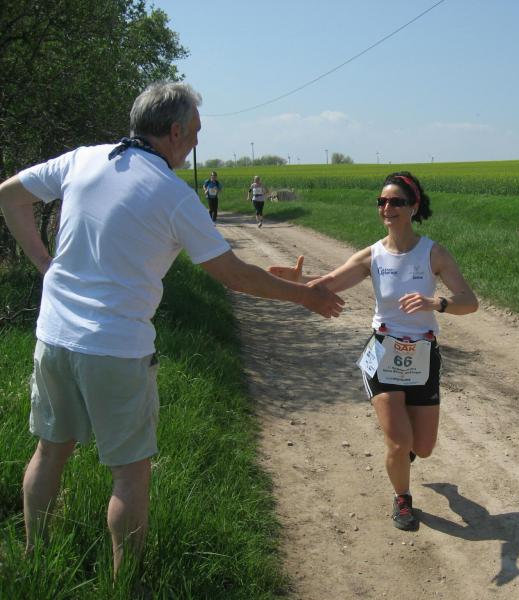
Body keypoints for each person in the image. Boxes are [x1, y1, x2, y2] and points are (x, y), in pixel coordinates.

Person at [0, 81, 344, 576]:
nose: (198, 142)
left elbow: (9, 196)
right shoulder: (173, 195)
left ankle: (34, 560)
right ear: (176, 131)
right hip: (117, 349)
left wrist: (44, 265)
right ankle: (126, 583)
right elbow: (232, 275)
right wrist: (305, 295)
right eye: (196, 132)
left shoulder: (82, 159)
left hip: (53, 337)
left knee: (50, 452)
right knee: (130, 474)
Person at [270, 171, 478, 530]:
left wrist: (436, 303)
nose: (387, 207)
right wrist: (298, 282)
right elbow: (328, 283)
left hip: (423, 355)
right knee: (399, 442)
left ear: (413, 207)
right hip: (382, 352)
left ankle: (407, 458)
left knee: (422, 447)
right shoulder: (373, 255)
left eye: (396, 201)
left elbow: (469, 302)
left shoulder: (434, 254)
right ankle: (402, 498)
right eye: (382, 201)